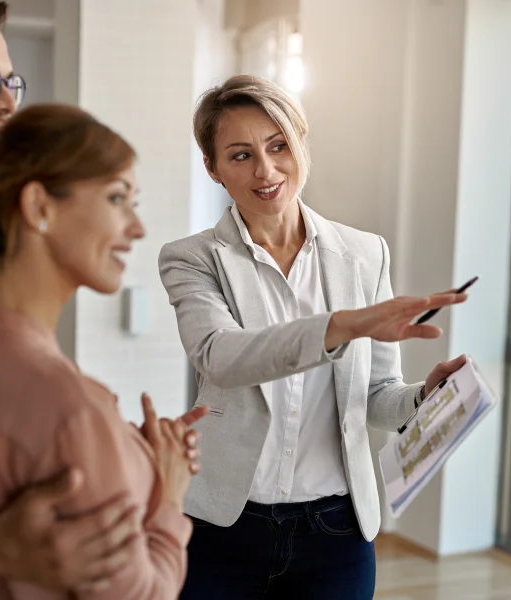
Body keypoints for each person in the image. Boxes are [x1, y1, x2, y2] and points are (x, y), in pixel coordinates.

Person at [158, 74, 469, 600]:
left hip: (336, 532)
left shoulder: (366, 254)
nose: (266, 169)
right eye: (240, 155)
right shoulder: (192, 258)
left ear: (301, 142)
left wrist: (422, 400)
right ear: (212, 168)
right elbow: (221, 357)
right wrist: (343, 325)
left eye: (279, 145)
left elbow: (374, 397)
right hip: (222, 526)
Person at [0, 1, 204, 593]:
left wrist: (122, 451)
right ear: (38, 207)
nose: (6, 101)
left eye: (11, 81)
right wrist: (165, 496)